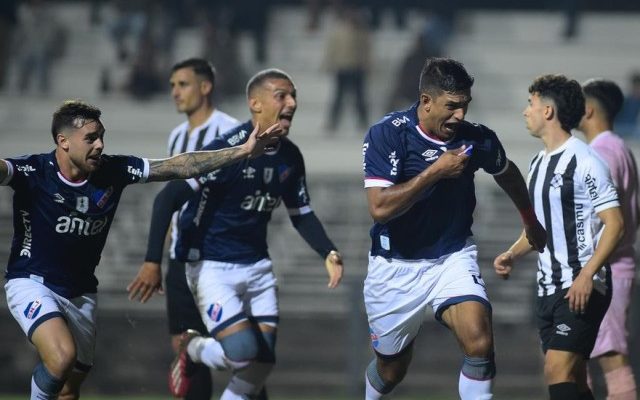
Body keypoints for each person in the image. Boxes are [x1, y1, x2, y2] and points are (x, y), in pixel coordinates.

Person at [1, 100, 282, 400]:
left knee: (69, 390)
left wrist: (241, 151)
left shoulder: (115, 169)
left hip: (81, 292)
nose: (100, 145)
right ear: (63, 141)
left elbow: (179, 166)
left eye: (102, 136)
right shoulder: (33, 170)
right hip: (31, 281)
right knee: (61, 357)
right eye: (91, 138)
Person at [127, 68, 344, 399]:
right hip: (212, 265)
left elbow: (301, 214)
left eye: (294, 95)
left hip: (257, 268)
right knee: (243, 351)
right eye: (282, 95)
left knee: (262, 363)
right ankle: (193, 349)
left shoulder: (290, 157)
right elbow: (167, 198)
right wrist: (151, 261)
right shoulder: (227, 151)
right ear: (255, 103)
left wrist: (329, 252)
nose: (292, 103)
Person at [361, 57, 546, 400]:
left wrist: (529, 220)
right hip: (395, 266)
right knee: (391, 369)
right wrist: (435, 171)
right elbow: (379, 208)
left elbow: (506, 172)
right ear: (426, 101)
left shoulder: (476, 139)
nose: (460, 115)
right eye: (452, 106)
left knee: (479, 339)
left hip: (452, 256)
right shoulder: (388, 134)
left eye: (465, 106)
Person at [494, 74, 624, 400]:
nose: (526, 112)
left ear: (548, 111)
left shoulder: (586, 160)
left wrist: (587, 274)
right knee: (576, 380)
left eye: (531, 104)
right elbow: (540, 227)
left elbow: (615, 223)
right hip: (548, 287)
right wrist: (513, 253)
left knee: (557, 369)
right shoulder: (538, 162)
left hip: (580, 287)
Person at [139, 57, 241, 400]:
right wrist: (168, 254)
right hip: (181, 259)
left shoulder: (230, 130)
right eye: (171, 86)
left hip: (217, 257)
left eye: (182, 84)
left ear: (205, 86)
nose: (174, 92)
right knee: (184, 346)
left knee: (240, 352)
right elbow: (172, 200)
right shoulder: (177, 136)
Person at [578, 78, 638, 400]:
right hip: (611, 268)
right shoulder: (619, 147)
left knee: (611, 356)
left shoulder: (602, 152)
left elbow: (600, 218)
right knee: (577, 358)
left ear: (587, 110)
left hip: (605, 271)